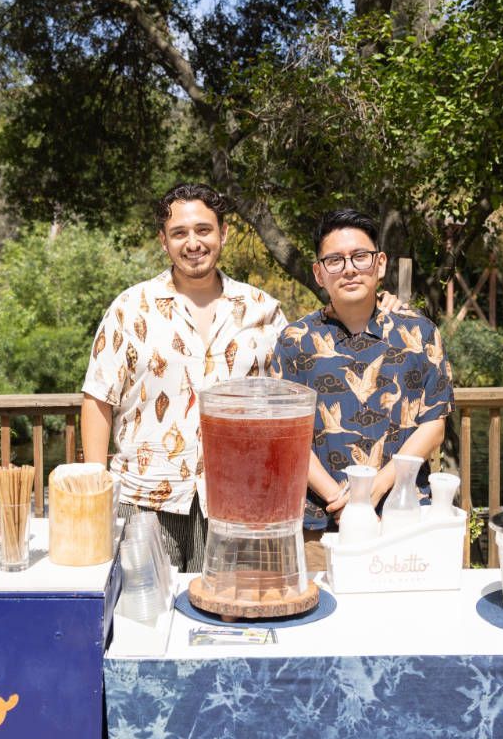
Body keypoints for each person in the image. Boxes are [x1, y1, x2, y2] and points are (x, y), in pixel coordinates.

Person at [80, 184, 289, 571]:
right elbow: (97, 398)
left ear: (223, 233)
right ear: (164, 241)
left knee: (229, 620)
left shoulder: (263, 310)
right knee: (141, 618)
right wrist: (96, 490)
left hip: (237, 500)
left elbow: (292, 393)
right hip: (143, 499)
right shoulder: (130, 308)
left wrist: (382, 306)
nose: (193, 243)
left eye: (204, 230)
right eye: (179, 233)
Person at [274, 208, 452, 532]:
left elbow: (433, 425)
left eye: (360, 257)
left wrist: (378, 487)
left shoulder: (420, 334)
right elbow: (285, 434)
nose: (349, 269)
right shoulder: (295, 342)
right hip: (320, 520)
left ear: (380, 263)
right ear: (319, 273)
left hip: (404, 513)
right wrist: (342, 499)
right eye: (335, 260)